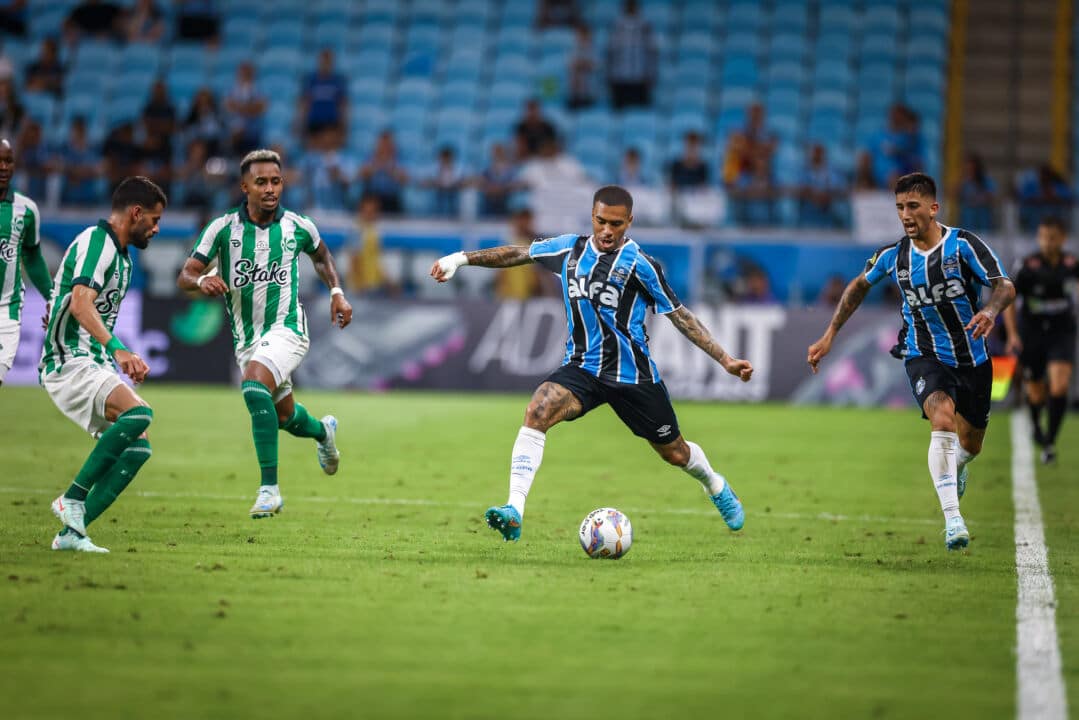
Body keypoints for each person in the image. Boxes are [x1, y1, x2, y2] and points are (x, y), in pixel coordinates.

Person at [430, 185, 753, 542]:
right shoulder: (569, 249)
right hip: (582, 368)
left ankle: (715, 484)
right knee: (538, 410)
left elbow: (680, 316)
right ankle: (514, 510)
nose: (607, 230)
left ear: (629, 222)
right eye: (601, 221)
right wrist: (460, 259)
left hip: (633, 377)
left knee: (675, 452)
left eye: (616, 223)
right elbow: (516, 254)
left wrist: (725, 359)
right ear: (592, 217)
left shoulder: (641, 266)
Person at [807, 173, 1015, 551]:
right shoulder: (893, 256)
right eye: (900, 207)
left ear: (933, 208)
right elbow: (858, 287)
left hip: (973, 358)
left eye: (913, 206)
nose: (905, 214)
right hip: (923, 353)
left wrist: (991, 309)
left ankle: (959, 465)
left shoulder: (963, 245)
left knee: (971, 444)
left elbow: (1004, 284)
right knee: (941, 418)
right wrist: (830, 335)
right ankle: (953, 520)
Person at [176, 149, 353, 519]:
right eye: (261, 182)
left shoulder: (298, 226)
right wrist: (204, 279)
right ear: (245, 187)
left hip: (287, 329)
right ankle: (323, 432)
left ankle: (269, 489)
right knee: (284, 416)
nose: (270, 188)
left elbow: (321, 256)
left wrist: (336, 292)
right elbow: (185, 274)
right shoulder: (222, 229)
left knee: (254, 387)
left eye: (276, 181)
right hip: (247, 339)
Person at [40, 176, 167, 553]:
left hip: (88, 360)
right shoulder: (99, 243)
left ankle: (71, 536)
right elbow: (81, 303)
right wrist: (120, 349)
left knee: (138, 447)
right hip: (68, 361)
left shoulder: (123, 257)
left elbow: (69, 297)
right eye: (155, 220)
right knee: (139, 415)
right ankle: (72, 499)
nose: (157, 229)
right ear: (136, 212)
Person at [1002, 216, 1079, 465]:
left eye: (1052, 237)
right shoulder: (1027, 266)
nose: (1047, 242)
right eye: (1043, 237)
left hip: (1062, 332)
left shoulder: (1072, 264)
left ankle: (1049, 441)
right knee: (1036, 390)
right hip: (1032, 333)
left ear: (1062, 239)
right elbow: (1008, 299)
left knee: (1059, 386)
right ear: (1038, 238)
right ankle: (1036, 424)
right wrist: (1013, 334)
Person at [0, 138, 50, 387]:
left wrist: (52, 297)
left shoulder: (26, 210)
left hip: (6, 311)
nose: (3, 167)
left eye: (8, 161)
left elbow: (32, 256)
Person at [605, 0, 657, 110]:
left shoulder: (644, 27)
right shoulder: (617, 26)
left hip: (638, 77)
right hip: (621, 77)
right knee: (621, 113)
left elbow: (651, 52)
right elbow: (611, 52)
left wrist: (651, 74)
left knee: (639, 113)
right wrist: (609, 74)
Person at [301, 49, 347, 138]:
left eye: (328, 61)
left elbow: (342, 104)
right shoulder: (311, 80)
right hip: (314, 121)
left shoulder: (337, 81)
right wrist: (301, 123)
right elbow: (306, 102)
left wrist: (343, 125)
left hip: (331, 122)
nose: (326, 64)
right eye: (324, 61)